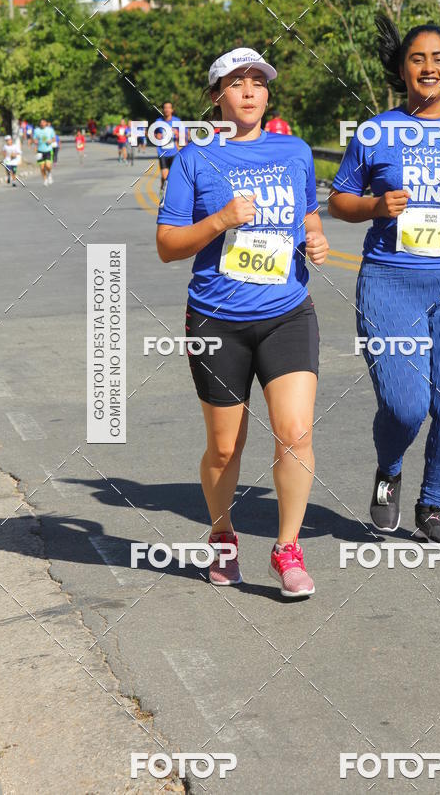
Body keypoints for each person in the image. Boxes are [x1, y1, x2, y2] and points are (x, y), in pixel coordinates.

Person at [329, 18, 440, 546]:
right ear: (403, 69)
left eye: (439, 58)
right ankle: (389, 470)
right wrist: (374, 206)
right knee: (406, 405)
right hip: (389, 281)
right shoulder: (375, 132)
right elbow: (339, 200)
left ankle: (431, 506)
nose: (429, 67)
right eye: (417, 58)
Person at [156, 47, 329, 597]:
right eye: (236, 82)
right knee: (225, 447)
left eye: (258, 81)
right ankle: (222, 536)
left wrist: (316, 237)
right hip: (217, 320)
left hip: (287, 313)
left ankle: (287, 549)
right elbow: (167, 245)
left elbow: (308, 213)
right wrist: (221, 219)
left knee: (295, 433)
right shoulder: (194, 159)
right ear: (217, 97)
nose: (250, 90)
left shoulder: (295, 151)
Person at [156, 101, 181, 193]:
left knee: (173, 176)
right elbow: (153, 135)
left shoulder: (177, 121)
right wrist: (156, 136)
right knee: (165, 176)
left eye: (169, 107)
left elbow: (184, 136)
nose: (167, 109)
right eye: (165, 107)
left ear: (172, 110)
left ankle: (168, 192)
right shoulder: (158, 121)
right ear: (163, 110)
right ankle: (163, 187)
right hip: (162, 152)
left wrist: (178, 134)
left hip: (174, 152)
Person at [34, 118, 55, 186]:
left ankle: (49, 174)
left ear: (46, 123)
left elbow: (54, 138)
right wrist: (35, 141)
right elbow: (34, 139)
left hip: (48, 150)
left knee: (48, 165)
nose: (42, 124)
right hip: (39, 151)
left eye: (43, 122)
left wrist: (50, 141)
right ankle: (45, 179)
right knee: (42, 167)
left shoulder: (50, 130)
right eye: (41, 122)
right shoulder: (36, 130)